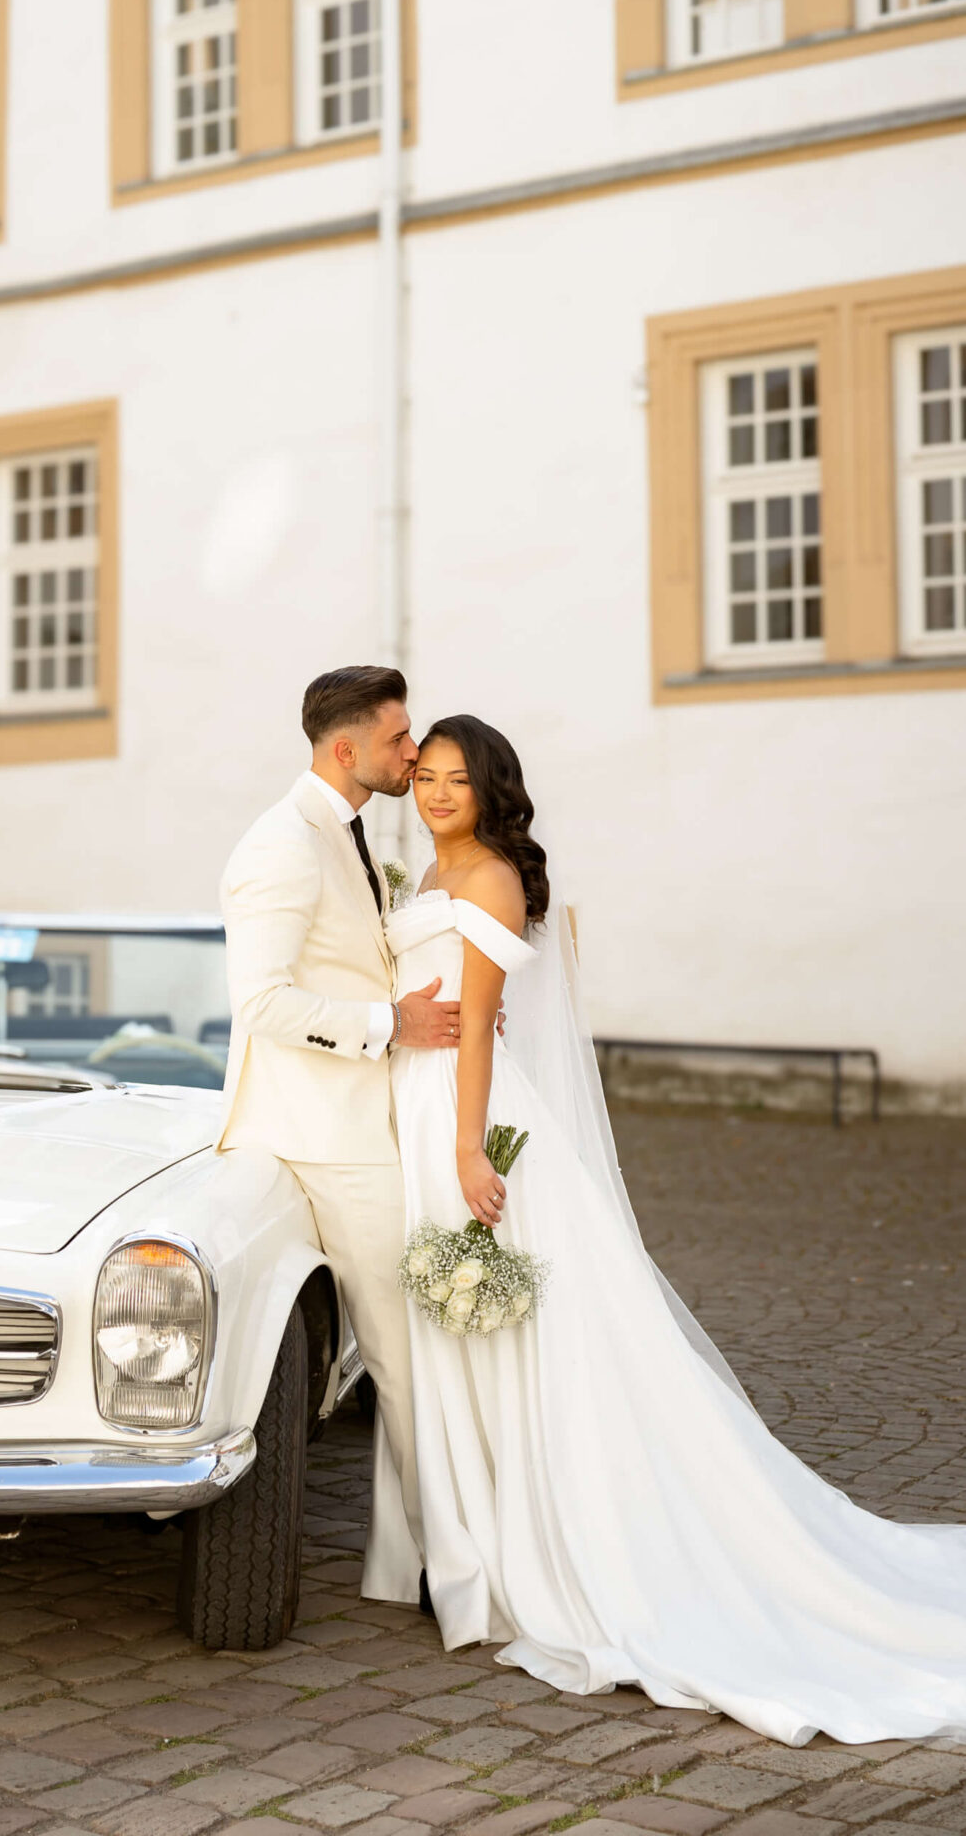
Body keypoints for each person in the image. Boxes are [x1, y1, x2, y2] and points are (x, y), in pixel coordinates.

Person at [389, 711, 966, 1745]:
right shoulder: (431, 875)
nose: (435, 792)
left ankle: (553, 1542)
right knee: (462, 1333)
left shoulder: (490, 880)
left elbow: (477, 1027)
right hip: (421, 1104)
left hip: (468, 1117)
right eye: (425, 773)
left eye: (456, 779)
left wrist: (469, 1149)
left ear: (490, 790)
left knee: (530, 1335)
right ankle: (473, 1530)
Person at [216, 664, 459, 1604]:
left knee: (406, 1357)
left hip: (360, 1126)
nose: (413, 752)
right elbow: (262, 1002)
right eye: (399, 739)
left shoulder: (343, 832)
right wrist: (389, 1025)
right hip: (323, 1139)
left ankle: (417, 1561)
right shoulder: (281, 845)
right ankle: (449, 1567)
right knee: (401, 1359)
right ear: (345, 748)